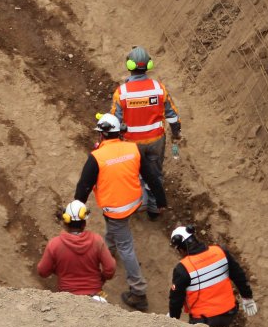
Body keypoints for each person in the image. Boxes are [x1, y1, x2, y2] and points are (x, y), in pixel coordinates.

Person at [74, 113, 167, 312]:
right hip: (133, 202)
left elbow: (83, 187)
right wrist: (161, 200)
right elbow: (151, 177)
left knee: (126, 247)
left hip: (115, 209)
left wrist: (77, 210)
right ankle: (109, 247)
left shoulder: (97, 157)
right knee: (117, 230)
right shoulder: (132, 149)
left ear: (102, 135)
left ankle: (139, 291)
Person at [109, 46, 181, 220]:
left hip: (132, 143)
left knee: (133, 173)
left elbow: (114, 122)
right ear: (148, 65)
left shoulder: (122, 92)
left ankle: (139, 202)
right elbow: (172, 116)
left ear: (129, 65)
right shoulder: (159, 88)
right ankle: (154, 208)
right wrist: (176, 134)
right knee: (154, 173)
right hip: (156, 141)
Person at [167, 225, 257, 327]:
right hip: (229, 313)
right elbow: (238, 275)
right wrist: (247, 297)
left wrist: (173, 317)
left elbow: (176, 298)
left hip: (203, 321)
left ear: (181, 249)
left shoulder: (183, 268)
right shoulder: (220, 252)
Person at [36, 200, 116, 299]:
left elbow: (42, 271)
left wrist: (57, 270)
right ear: (84, 223)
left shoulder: (55, 244)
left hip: (68, 299)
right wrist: (101, 279)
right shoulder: (97, 241)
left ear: (66, 222)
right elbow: (110, 268)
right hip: (96, 295)